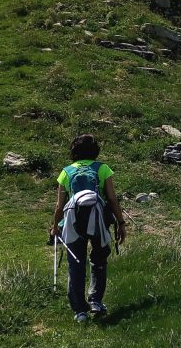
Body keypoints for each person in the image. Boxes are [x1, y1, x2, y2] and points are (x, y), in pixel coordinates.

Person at [49, 134, 127, 323]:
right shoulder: (103, 169)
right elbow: (112, 199)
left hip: (72, 222)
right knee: (99, 259)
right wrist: (120, 222)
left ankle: (79, 311)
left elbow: (60, 206)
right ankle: (96, 301)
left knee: (76, 264)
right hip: (98, 221)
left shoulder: (66, 172)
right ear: (95, 151)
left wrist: (54, 228)